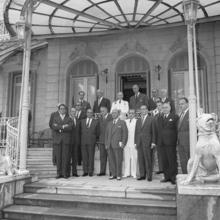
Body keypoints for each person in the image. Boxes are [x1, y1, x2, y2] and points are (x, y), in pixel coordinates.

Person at [157, 102, 179, 184]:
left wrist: (176, 141)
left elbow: (177, 130)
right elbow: (158, 130)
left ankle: (173, 178)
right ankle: (167, 177)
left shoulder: (174, 117)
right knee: (164, 161)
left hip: (170, 143)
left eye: (166, 107)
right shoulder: (159, 117)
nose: (165, 109)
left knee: (172, 160)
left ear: (170, 108)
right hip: (161, 143)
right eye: (163, 108)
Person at [50, 104, 73, 179]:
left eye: (64, 109)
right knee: (59, 158)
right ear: (59, 110)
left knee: (65, 157)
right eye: (61, 108)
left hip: (66, 141)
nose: (62, 110)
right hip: (58, 140)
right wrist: (63, 126)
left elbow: (70, 127)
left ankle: (65, 173)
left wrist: (59, 127)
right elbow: (53, 126)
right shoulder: (55, 118)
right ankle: (58, 173)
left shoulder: (69, 118)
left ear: (66, 110)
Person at [105, 109, 128, 180]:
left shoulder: (122, 122)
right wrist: (106, 143)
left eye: (115, 113)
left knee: (118, 160)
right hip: (109, 145)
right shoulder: (109, 123)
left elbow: (125, 134)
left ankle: (118, 175)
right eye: (112, 113)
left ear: (118, 114)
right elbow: (106, 134)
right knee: (111, 160)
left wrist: (123, 143)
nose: (113, 114)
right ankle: (113, 174)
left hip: (118, 145)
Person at [135, 105, 156, 181]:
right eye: (141, 109)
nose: (143, 110)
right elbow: (136, 132)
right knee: (141, 160)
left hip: (148, 142)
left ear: (147, 110)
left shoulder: (151, 119)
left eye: (144, 109)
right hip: (139, 143)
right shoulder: (138, 120)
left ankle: (149, 176)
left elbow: (154, 131)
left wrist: (153, 142)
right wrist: (135, 142)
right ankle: (142, 175)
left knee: (148, 159)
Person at [81, 109, 99, 176]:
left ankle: (90, 171)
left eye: (91, 112)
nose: (89, 113)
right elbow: (80, 132)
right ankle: (85, 171)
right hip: (83, 141)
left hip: (92, 141)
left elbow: (98, 132)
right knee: (84, 157)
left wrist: (95, 140)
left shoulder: (96, 122)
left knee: (91, 157)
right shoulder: (82, 121)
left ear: (92, 114)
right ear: (86, 113)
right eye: (88, 112)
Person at [97, 106, 112, 176]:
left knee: (110, 157)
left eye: (103, 111)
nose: (101, 112)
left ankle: (112, 171)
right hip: (101, 140)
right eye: (101, 111)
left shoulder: (111, 117)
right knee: (102, 157)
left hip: (109, 140)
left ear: (106, 111)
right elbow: (98, 130)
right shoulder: (99, 118)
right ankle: (102, 171)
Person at [123, 109, 137, 178]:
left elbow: (138, 133)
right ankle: (126, 173)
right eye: (130, 113)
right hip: (126, 142)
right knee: (126, 158)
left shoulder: (137, 121)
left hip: (134, 142)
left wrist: (136, 142)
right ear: (128, 114)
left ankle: (133, 173)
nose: (131, 114)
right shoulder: (125, 121)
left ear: (134, 114)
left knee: (134, 158)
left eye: (132, 113)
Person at [177, 97, 189, 174]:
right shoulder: (181, 114)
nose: (181, 105)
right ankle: (185, 175)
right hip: (180, 141)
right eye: (179, 104)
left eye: (182, 104)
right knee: (182, 160)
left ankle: (190, 175)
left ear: (187, 104)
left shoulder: (191, 113)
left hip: (188, 141)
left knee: (189, 159)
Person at [69, 107, 80, 177]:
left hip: (76, 142)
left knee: (75, 158)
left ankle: (74, 172)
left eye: (75, 111)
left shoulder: (77, 120)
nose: (74, 112)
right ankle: (67, 172)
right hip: (69, 142)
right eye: (72, 111)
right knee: (67, 157)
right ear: (70, 112)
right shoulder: (67, 119)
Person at [153, 100, 163, 174]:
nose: (158, 107)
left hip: (164, 138)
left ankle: (166, 169)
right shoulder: (156, 116)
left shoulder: (165, 114)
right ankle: (161, 168)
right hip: (157, 138)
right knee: (159, 154)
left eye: (160, 105)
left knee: (165, 154)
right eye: (157, 105)